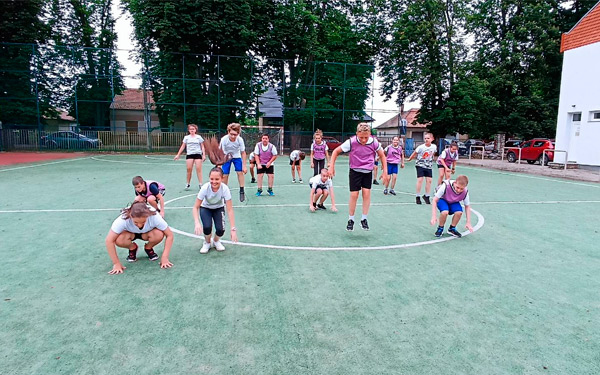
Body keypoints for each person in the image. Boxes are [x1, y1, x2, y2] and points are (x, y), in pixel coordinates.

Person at [329, 122, 389, 231]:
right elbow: (336, 151)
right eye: (361, 137)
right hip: (355, 171)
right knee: (354, 195)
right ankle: (351, 219)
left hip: (367, 171)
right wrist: (331, 166)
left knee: (366, 194)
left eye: (366, 137)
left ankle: (364, 219)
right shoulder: (351, 142)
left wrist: (385, 171)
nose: (364, 140)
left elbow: (382, 155)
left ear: (370, 134)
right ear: (356, 134)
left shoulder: (374, 143)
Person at [105, 202, 174, 274]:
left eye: (143, 222)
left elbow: (169, 235)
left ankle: (148, 247)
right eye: (136, 222)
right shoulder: (122, 219)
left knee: (159, 234)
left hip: (147, 233)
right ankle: (132, 248)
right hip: (129, 234)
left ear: (147, 216)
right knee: (119, 239)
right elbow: (109, 241)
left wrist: (165, 257)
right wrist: (116, 263)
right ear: (130, 216)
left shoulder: (154, 216)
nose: (139, 225)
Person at [193, 167, 238, 253]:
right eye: (212, 179)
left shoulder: (225, 189)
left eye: (217, 179)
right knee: (207, 227)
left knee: (220, 230)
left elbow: (230, 209)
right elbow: (195, 207)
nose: (214, 182)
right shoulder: (205, 188)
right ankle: (207, 242)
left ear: (222, 178)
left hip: (218, 208)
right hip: (206, 208)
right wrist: (197, 222)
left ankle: (216, 241)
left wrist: (233, 229)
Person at [218, 123, 247, 202]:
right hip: (226, 157)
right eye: (231, 134)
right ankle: (223, 193)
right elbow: (220, 152)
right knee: (225, 175)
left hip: (236, 156)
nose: (233, 136)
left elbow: (243, 152)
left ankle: (241, 190)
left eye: (235, 134)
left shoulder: (240, 140)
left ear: (238, 134)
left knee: (240, 172)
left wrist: (244, 165)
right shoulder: (224, 139)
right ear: (228, 132)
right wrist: (219, 164)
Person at [406, 132, 437, 204]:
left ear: (432, 139)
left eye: (428, 138)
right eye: (425, 138)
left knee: (429, 180)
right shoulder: (421, 147)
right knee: (420, 180)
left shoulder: (434, 147)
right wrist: (410, 159)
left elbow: (433, 153)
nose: (426, 140)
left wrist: (431, 159)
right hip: (420, 165)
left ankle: (427, 196)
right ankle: (417, 196)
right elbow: (415, 153)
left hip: (428, 165)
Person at [174, 124, 205, 190]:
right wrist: (178, 154)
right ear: (189, 130)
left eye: (193, 129)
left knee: (198, 169)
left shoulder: (198, 137)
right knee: (189, 169)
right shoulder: (186, 137)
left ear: (195, 130)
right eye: (191, 129)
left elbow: (202, 146)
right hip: (190, 154)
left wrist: (204, 155)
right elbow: (183, 146)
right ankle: (187, 183)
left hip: (198, 154)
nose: (192, 130)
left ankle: (200, 184)